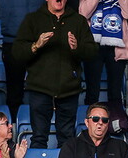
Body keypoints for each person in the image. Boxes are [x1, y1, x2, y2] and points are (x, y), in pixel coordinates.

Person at [14, 0, 99, 148]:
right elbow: (17, 52)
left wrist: (77, 48)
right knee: (39, 138)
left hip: (69, 90)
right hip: (39, 89)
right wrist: (36, 45)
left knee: (67, 140)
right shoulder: (32, 19)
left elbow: (92, 53)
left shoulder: (78, 20)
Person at [79, 0, 128, 108]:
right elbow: (83, 14)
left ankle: (115, 123)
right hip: (93, 46)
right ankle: (91, 121)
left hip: (117, 48)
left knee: (115, 92)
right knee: (92, 91)